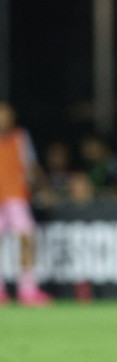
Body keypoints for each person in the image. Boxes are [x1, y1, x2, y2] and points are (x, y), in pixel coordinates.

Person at [0, 102, 52, 306]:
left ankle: (28, 289)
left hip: (17, 197)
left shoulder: (20, 137)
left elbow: (31, 166)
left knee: (27, 240)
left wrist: (42, 188)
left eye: (6, 116)